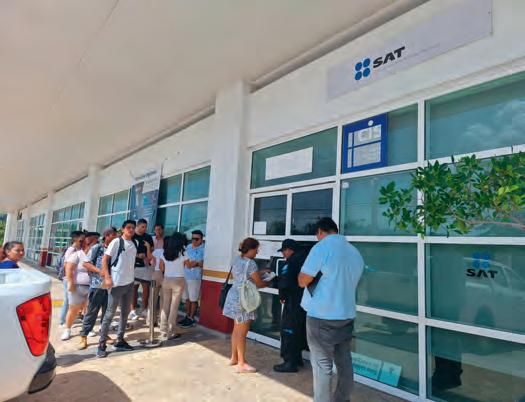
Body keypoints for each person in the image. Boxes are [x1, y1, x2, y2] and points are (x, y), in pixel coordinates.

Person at [298, 217, 364, 402]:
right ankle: (342, 399)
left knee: (322, 366)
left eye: (317, 235)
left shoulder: (321, 247)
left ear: (320, 231)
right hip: (346, 315)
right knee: (344, 362)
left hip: (321, 317)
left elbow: (303, 280)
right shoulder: (354, 251)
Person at [222, 237, 270, 373]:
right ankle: (242, 363)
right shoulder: (251, 263)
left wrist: (260, 272)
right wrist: (268, 281)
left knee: (236, 330)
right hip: (244, 300)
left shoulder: (237, 259)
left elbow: (245, 275)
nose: (257, 252)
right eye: (256, 249)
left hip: (234, 296)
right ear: (251, 249)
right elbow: (259, 283)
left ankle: (234, 358)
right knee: (242, 332)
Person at [97, 220, 138, 358]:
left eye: (133, 228)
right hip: (116, 284)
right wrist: (107, 277)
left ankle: (120, 340)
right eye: (128, 227)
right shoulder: (116, 242)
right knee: (109, 314)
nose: (131, 230)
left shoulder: (134, 243)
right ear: (123, 229)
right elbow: (105, 259)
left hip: (129, 283)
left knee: (125, 313)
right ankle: (102, 343)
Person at [77, 227, 118, 350]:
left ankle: (104, 334)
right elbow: (86, 263)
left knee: (107, 312)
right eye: (114, 236)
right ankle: (83, 335)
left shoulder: (116, 249)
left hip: (111, 285)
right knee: (92, 311)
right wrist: (100, 271)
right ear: (107, 235)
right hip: (97, 285)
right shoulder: (97, 248)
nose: (116, 238)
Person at [274, 239, 308, 373]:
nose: (283, 254)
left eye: (283, 251)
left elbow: (285, 281)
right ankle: (297, 358)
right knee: (298, 330)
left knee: (288, 330)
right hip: (303, 301)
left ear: (289, 250)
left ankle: (289, 362)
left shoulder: (291, 261)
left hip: (292, 301)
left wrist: (281, 294)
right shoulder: (305, 258)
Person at [61, 232, 97, 340]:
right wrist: (71, 283)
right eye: (90, 243)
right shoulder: (77, 254)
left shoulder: (94, 255)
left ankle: (87, 329)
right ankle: (67, 329)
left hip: (92, 286)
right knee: (73, 309)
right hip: (77, 286)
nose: (92, 245)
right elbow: (68, 268)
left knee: (88, 309)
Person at [159, 233, 188, 340]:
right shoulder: (183, 253)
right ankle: (171, 331)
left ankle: (163, 330)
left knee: (165, 306)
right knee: (174, 307)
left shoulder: (164, 252)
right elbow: (188, 265)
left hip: (166, 279)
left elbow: (161, 268)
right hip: (178, 281)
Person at [179, 229, 205, 328]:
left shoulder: (204, 249)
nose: (194, 241)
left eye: (196, 239)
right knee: (187, 298)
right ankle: (187, 316)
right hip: (185, 276)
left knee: (193, 299)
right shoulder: (188, 247)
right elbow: (184, 261)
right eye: (192, 238)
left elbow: (204, 263)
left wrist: (196, 263)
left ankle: (191, 318)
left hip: (195, 278)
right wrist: (193, 263)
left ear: (201, 239)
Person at [58, 231, 85, 327]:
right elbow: (66, 265)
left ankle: (68, 319)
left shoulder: (78, 249)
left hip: (74, 278)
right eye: (81, 239)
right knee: (68, 300)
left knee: (72, 300)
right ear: (75, 239)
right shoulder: (71, 250)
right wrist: (70, 280)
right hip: (69, 278)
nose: (83, 240)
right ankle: (62, 321)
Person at [130, 218, 154, 320]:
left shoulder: (148, 237)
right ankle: (132, 310)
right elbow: (128, 250)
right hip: (134, 266)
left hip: (145, 266)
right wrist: (137, 255)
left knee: (146, 288)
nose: (144, 229)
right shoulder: (132, 236)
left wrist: (148, 255)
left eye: (145, 227)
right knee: (133, 289)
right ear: (137, 226)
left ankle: (144, 309)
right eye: (142, 227)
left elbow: (152, 249)